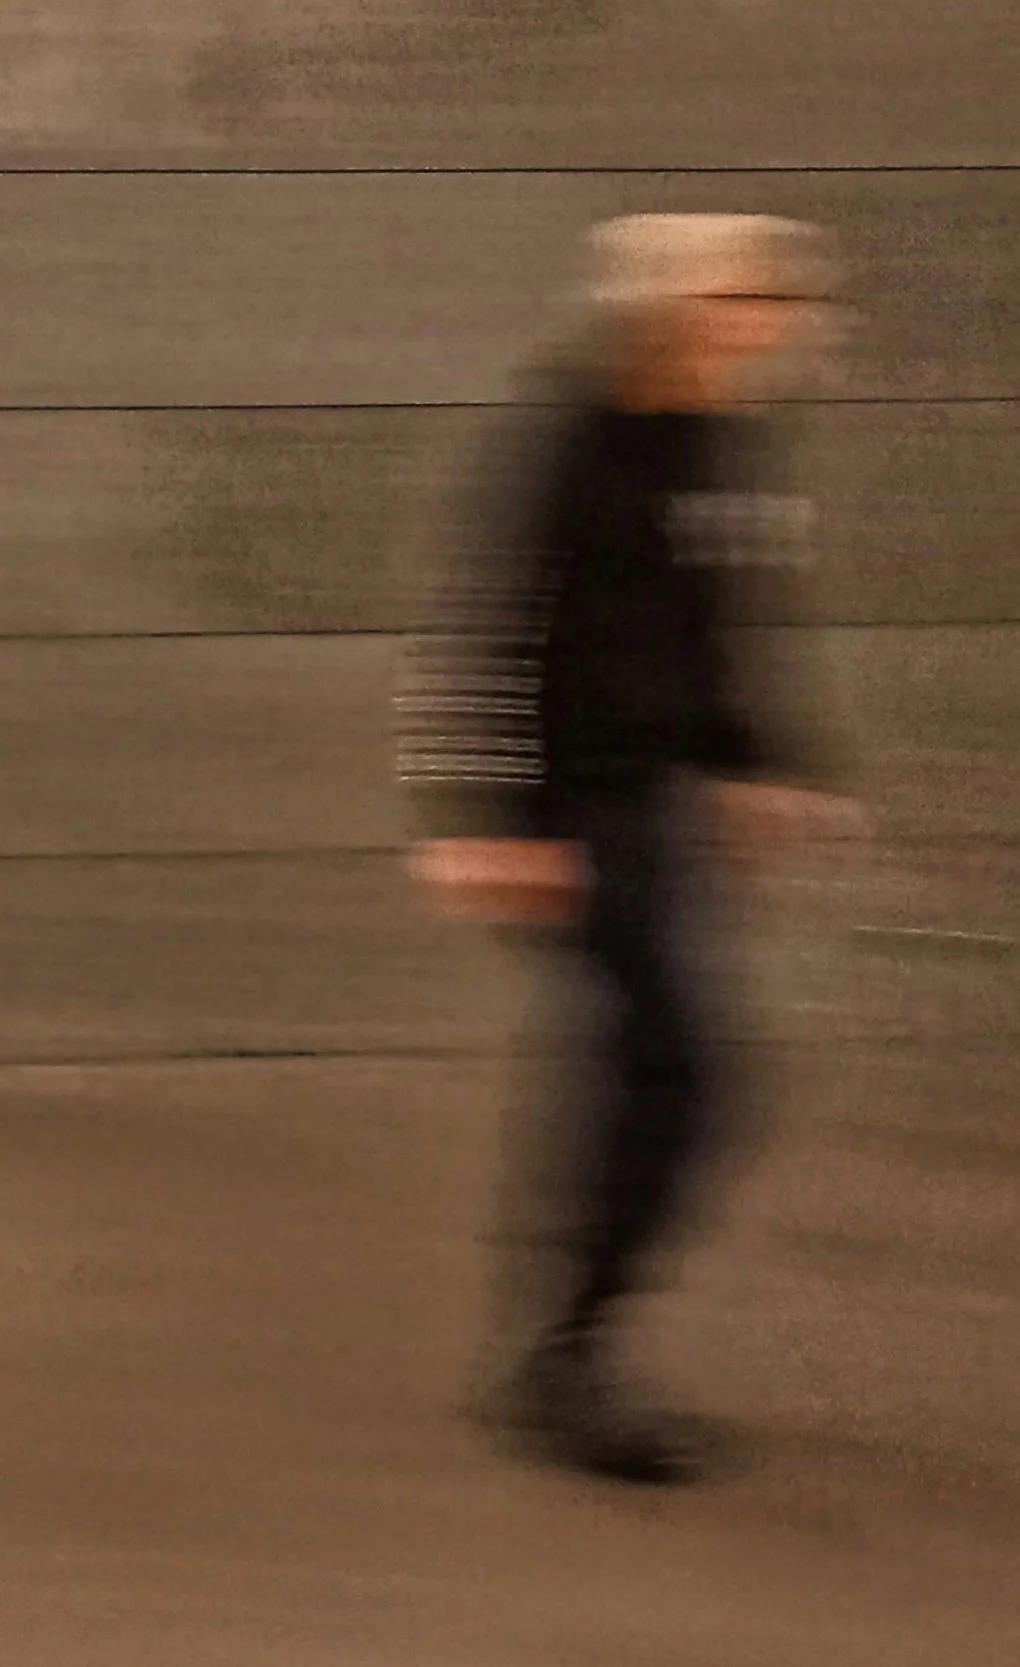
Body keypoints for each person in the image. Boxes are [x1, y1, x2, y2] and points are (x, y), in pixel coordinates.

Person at [400, 214, 865, 1485]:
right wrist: (488, 822)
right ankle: (565, 1357)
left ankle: (568, 1347)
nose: (759, 334)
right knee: (678, 1071)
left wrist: (757, 760)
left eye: (769, 315)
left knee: (642, 1074)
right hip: (574, 813)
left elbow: (720, 616)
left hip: (660, 809)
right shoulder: (566, 440)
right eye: (733, 309)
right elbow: (478, 637)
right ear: (665, 307)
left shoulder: (722, 439)